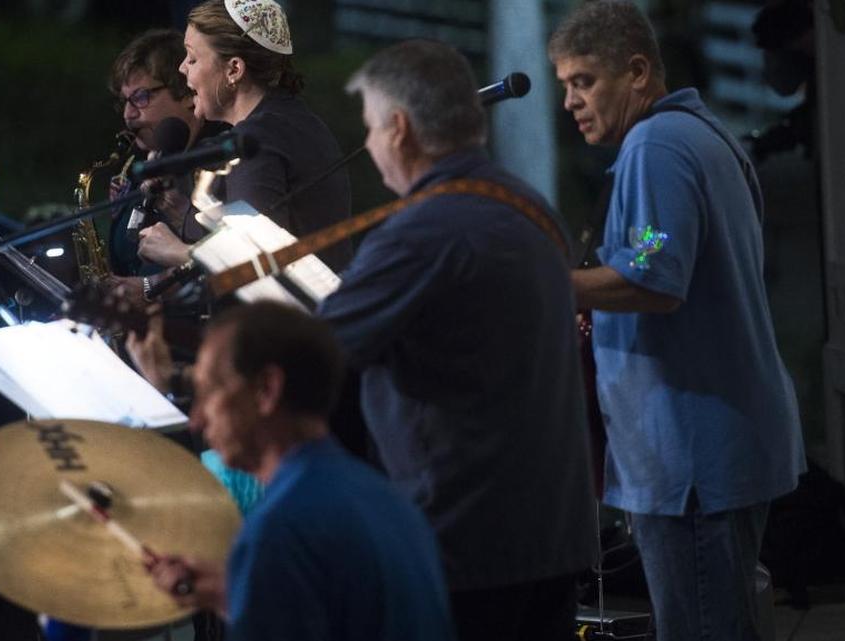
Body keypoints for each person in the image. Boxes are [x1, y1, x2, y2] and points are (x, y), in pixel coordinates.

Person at [313, 39, 598, 641]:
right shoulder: (530, 207)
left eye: (368, 129)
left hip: (463, 546)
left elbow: (314, 353)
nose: (368, 147)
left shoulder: (419, 232)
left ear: (398, 129)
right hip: (553, 535)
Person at [548, 3, 806, 640]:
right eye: (565, 86)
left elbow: (653, 276)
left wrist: (546, 286)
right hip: (716, 445)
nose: (570, 103)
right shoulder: (703, 133)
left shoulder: (656, 145)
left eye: (584, 82)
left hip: (694, 457)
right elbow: (653, 256)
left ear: (637, 72)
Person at [143, 301, 455, 641]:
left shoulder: (279, 532)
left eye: (209, 391)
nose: (197, 419)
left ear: (266, 389)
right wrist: (237, 596)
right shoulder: (386, 497)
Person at [138, 0, 353, 273]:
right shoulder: (293, 121)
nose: (182, 68)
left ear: (234, 70)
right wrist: (178, 208)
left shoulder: (257, 140)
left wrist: (181, 253)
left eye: (192, 58)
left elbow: (260, 265)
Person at [105, 28, 228, 278]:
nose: (128, 115)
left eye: (140, 97)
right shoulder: (135, 167)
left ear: (186, 93)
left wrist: (149, 289)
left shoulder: (224, 161)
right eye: (124, 101)